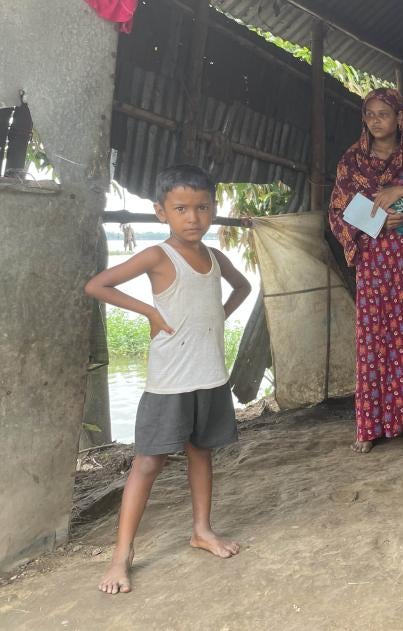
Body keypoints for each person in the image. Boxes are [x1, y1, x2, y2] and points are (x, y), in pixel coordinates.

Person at [85, 164, 251, 594]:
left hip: (209, 374)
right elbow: (98, 285)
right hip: (170, 380)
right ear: (161, 213)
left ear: (212, 209)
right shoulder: (158, 255)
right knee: (148, 462)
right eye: (181, 208)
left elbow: (242, 288)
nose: (193, 217)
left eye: (202, 207)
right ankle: (121, 554)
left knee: (201, 451)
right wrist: (151, 313)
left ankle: (201, 530)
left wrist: (219, 317)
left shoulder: (216, 257)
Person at [328, 88, 403, 454]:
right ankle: (371, 424)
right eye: (370, 114)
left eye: (384, 113)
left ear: (401, 118)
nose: (376, 120)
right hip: (376, 259)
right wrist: (378, 220)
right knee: (376, 337)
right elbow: (339, 210)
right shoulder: (352, 161)